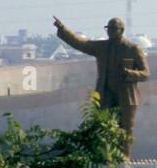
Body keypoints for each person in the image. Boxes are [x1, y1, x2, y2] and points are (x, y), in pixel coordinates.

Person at [52, 15, 149, 158]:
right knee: (102, 127)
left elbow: (146, 74)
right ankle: (105, 159)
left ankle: (124, 160)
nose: (109, 31)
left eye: (113, 29)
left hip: (126, 96)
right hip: (105, 94)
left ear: (121, 30)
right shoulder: (101, 47)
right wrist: (63, 29)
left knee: (126, 129)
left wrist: (129, 73)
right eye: (108, 28)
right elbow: (81, 43)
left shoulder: (133, 49)